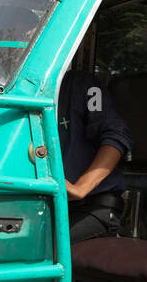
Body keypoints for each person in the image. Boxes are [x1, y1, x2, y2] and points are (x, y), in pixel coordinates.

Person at [57, 69, 134, 241]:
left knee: (35, 247)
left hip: (91, 208)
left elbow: (116, 135)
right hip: (42, 208)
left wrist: (80, 188)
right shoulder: (11, 91)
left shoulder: (84, 85)